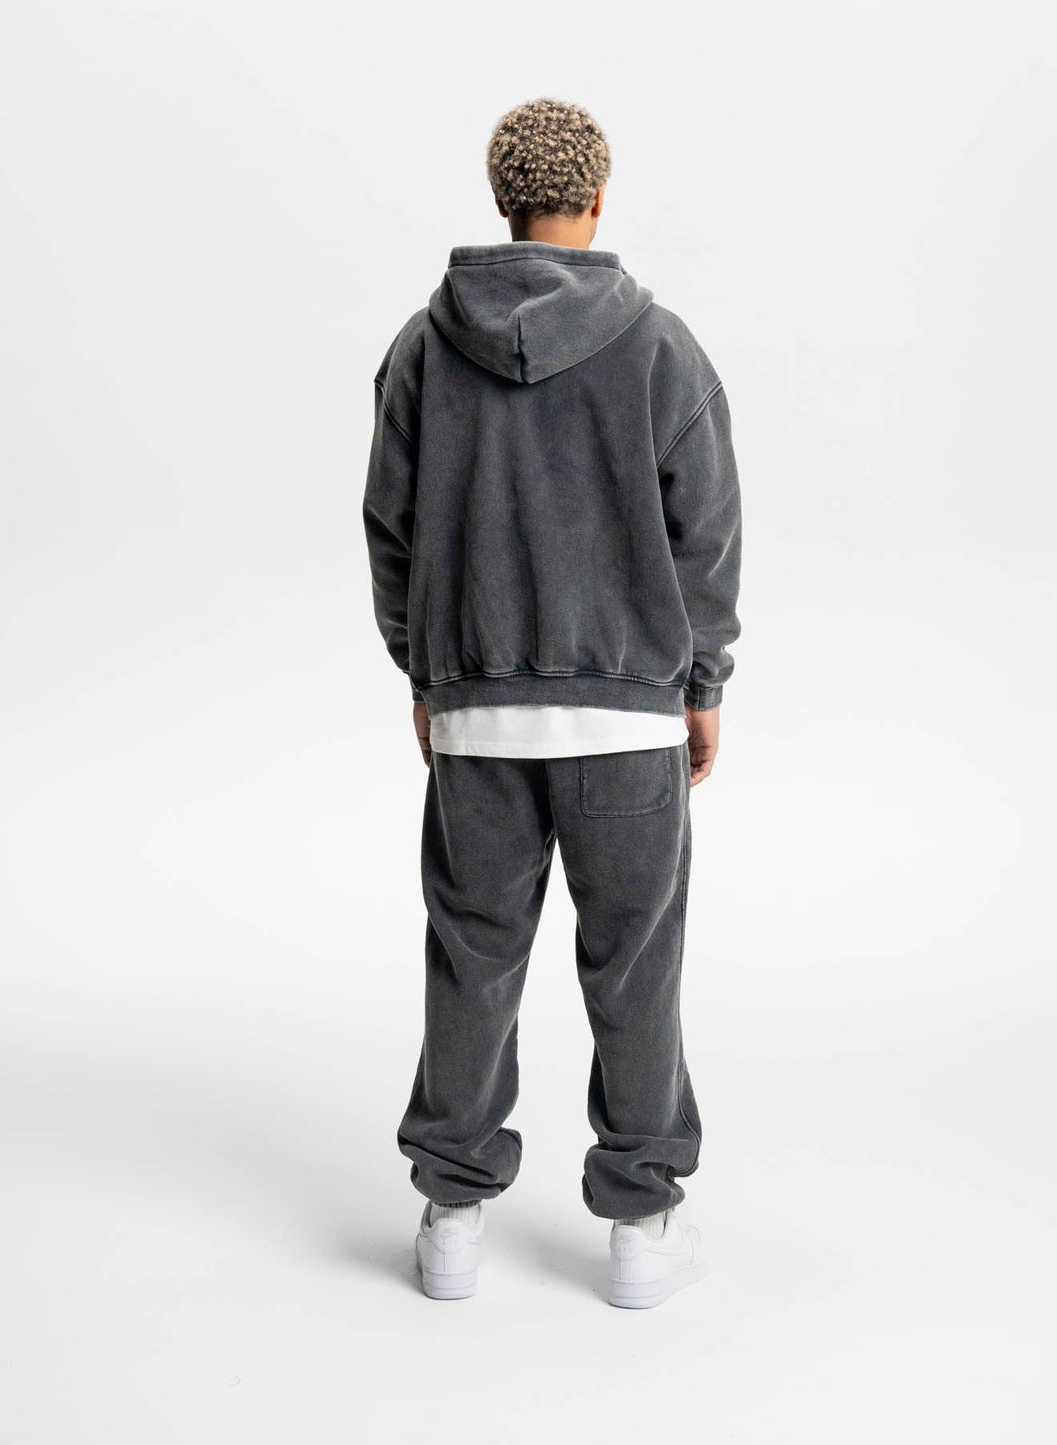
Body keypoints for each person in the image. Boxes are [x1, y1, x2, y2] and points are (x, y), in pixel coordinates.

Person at [361, 97, 742, 1309]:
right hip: (628, 719)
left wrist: (427, 673)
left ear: (501, 199)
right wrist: (702, 682)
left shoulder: (424, 349)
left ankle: (451, 1217)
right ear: (597, 197)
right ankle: (640, 1225)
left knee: (471, 960)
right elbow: (705, 535)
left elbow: (390, 531)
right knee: (632, 971)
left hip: (476, 719)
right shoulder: (659, 347)